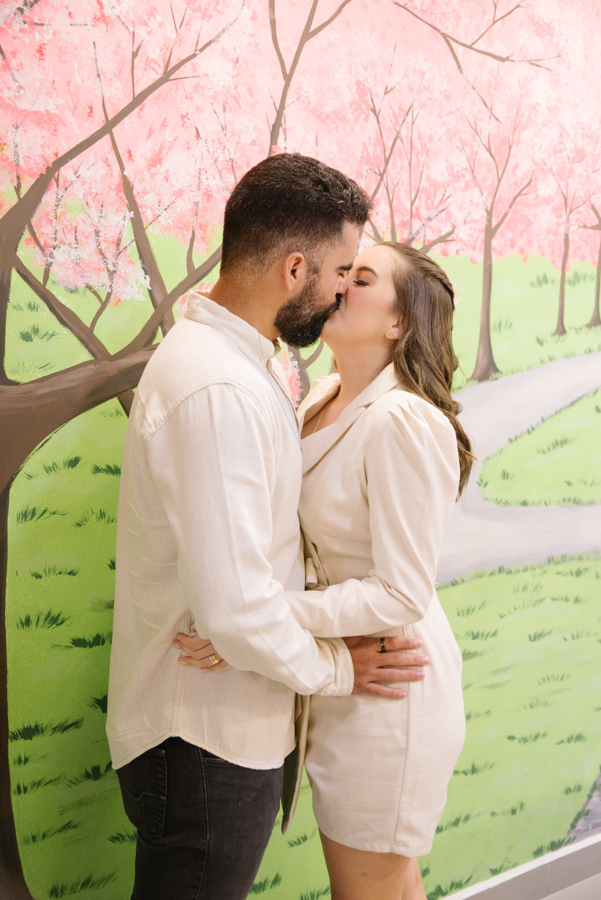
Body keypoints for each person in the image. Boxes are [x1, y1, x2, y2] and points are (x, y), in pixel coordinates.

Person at [106, 154, 428, 900]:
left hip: (220, 726)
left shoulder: (244, 367)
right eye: (342, 268)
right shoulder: (218, 386)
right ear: (293, 269)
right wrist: (341, 669)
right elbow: (235, 610)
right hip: (203, 738)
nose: (345, 285)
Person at [179, 240, 473, 899]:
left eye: (361, 278)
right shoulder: (323, 397)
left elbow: (400, 591)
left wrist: (259, 617)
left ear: (398, 321)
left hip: (392, 684)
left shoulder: (402, 420)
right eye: (343, 271)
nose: (339, 285)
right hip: (345, 675)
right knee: (387, 884)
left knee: (366, 886)